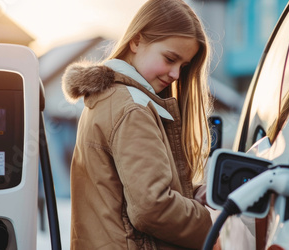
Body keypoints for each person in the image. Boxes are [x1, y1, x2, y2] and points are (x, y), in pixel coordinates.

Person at [61, 0, 213, 249]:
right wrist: (211, 224)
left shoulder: (111, 99)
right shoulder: (132, 107)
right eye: (170, 58)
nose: (176, 74)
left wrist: (190, 195)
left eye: (183, 66)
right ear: (136, 41)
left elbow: (125, 192)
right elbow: (152, 207)